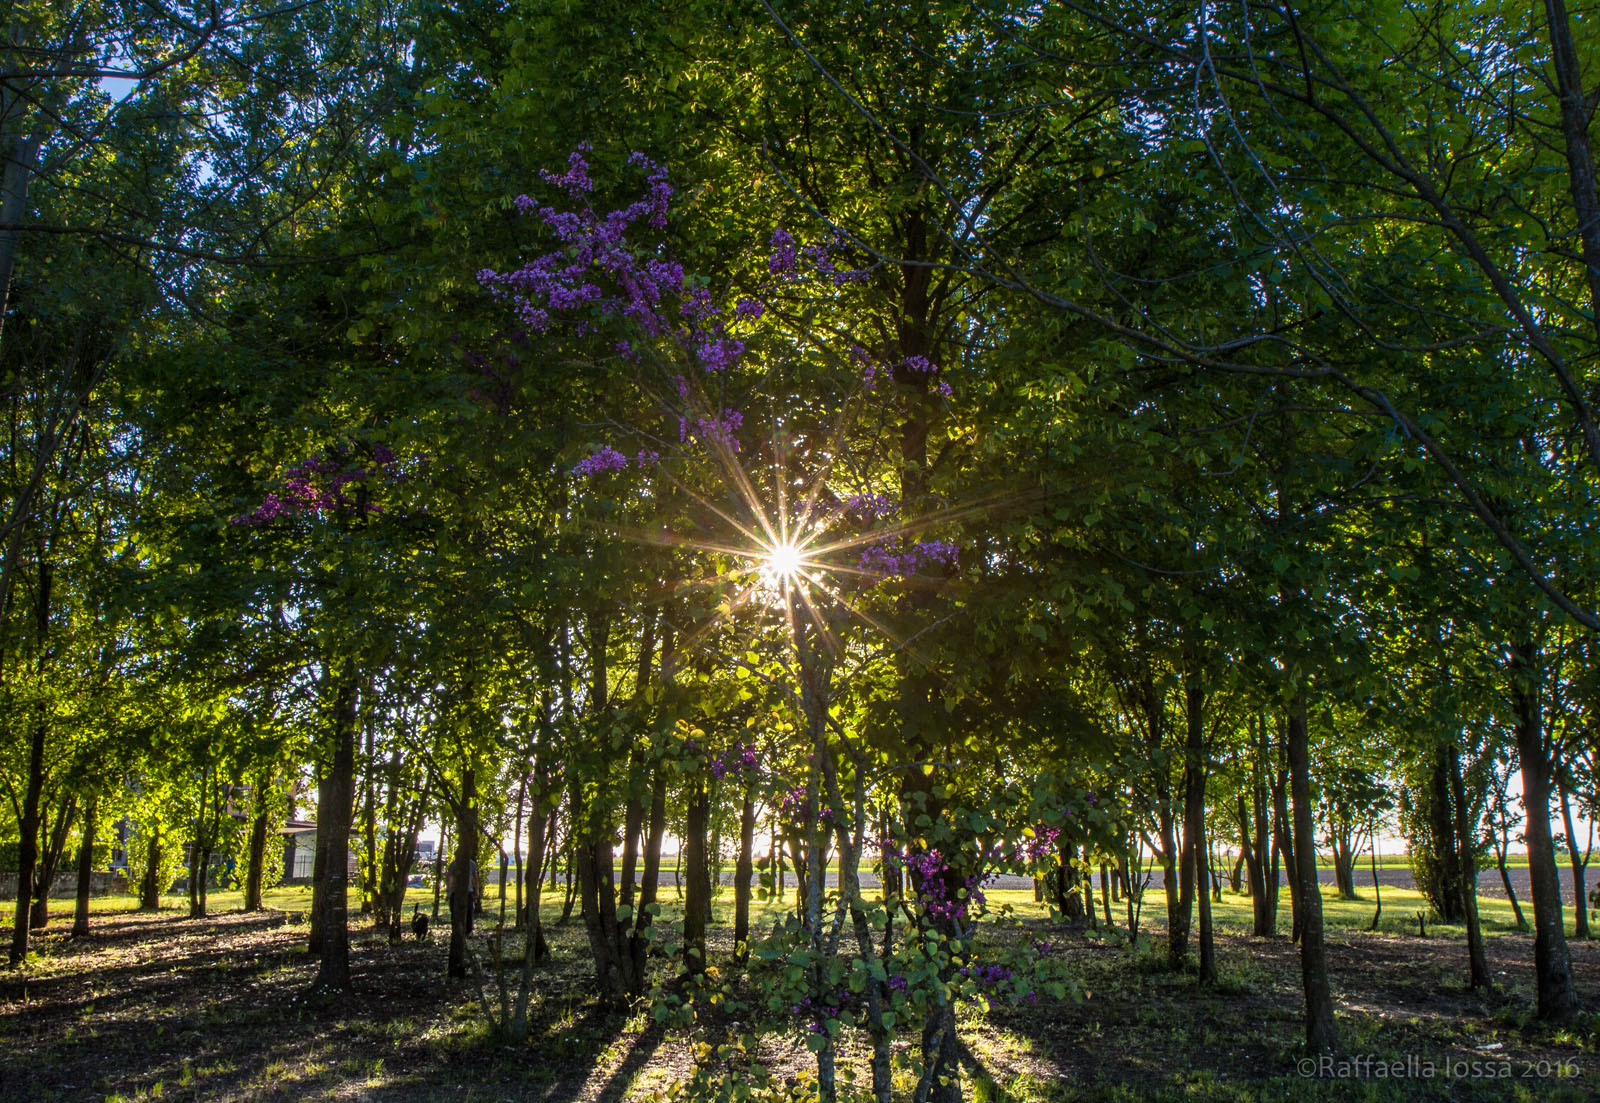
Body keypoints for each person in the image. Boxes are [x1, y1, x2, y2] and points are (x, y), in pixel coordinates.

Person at [445, 854, 480, 936]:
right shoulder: (454, 864)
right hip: (457, 892)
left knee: (467, 912)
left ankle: (467, 931)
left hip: (466, 892)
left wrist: (476, 890)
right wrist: (449, 888)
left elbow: (475, 878)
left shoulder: (470, 864)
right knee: (458, 912)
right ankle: (460, 931)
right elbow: (449, 877)